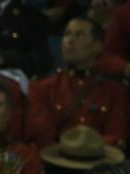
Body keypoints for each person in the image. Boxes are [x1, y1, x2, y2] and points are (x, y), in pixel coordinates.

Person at [27, 16, 128, 150]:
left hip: (101, 162)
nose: (70, 40)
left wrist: (87, 150)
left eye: (79, 35)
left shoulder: (114, 91)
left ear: (97, 46)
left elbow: (116, 135)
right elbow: (43, 137)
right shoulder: (42, 88)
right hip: (56, 162)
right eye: (67, 34)